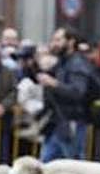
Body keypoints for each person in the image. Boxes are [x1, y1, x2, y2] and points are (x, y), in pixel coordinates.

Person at [38, 27, 95, 162]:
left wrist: (53, 83)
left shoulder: (78, 64)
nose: (54, 43)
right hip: (58, 122)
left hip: (71, 122)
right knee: (46, 163)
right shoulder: (62, 62)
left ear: (70, 42)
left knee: (73, 164)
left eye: (58, 40)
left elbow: (77, 92)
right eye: (53, 40)